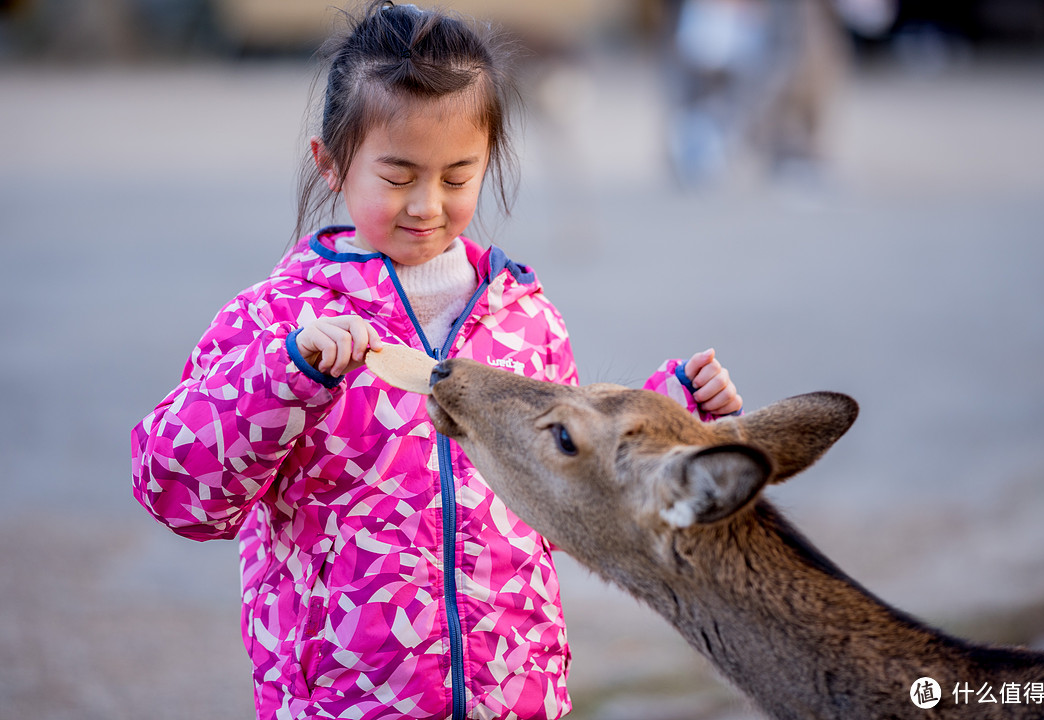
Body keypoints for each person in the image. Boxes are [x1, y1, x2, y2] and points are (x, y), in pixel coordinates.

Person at [130, 3, 742, 719]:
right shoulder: (277, 320)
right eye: (398, 176)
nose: (427, 204)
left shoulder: (523, 317)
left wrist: (671, 414)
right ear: (330, 162)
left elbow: (573, 492)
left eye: (457, 176)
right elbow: (177, 492)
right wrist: (284, 377)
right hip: (348, 701)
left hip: (513, 696)